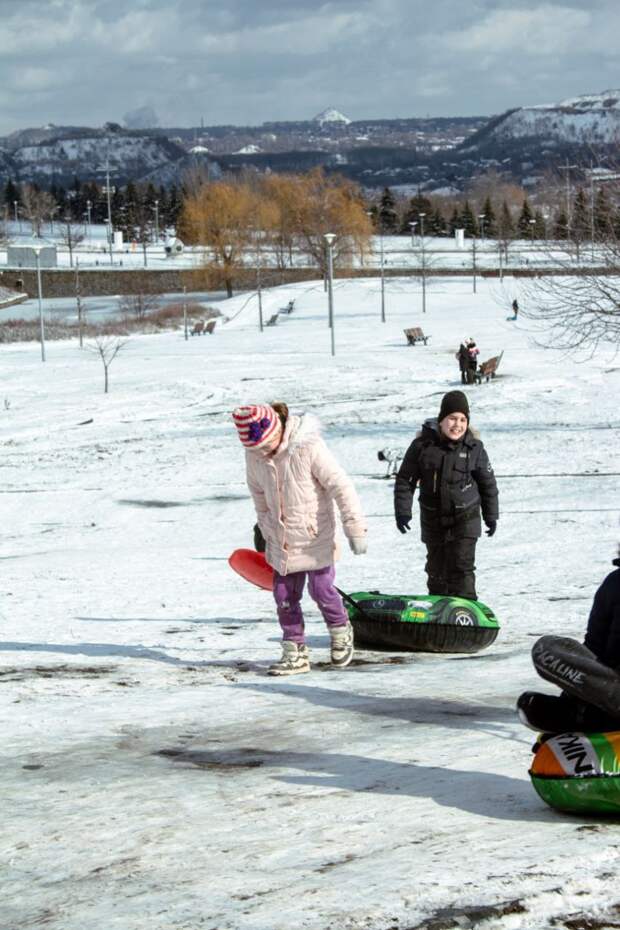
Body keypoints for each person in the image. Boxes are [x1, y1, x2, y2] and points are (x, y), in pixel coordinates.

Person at [233, 402, 367, 676]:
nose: (263, 454)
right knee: (284, 596)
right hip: (282, 541)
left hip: (314, 536)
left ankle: (341, 630)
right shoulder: (254, 456)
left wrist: (354, 528)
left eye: (266, 447)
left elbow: (341, 486)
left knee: (321, 590)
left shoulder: (308, 447)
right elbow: (260, 499)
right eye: (256, 450)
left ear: (277, 431)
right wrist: (265, 531)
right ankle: (294, 650)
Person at [394, 390, 498, 600]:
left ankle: (465, 614)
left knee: (461, 566)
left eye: (462, 420)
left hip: (465, 518)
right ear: (441, 420)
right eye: (452, 418)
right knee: (436, 571)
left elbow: (488, 484)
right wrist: (402, 511)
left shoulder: (474, 448)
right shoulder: (422, 446)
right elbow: (405, 479)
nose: (457, 425)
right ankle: (439, 617)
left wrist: (491, 515)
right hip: (433, 519)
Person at [518, 549, 620, 734]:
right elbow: (593, 647)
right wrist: (577, 696)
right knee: (546, 649)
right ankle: (587, 712)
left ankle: (595, 714)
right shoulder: (614, 582)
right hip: (611, 685)